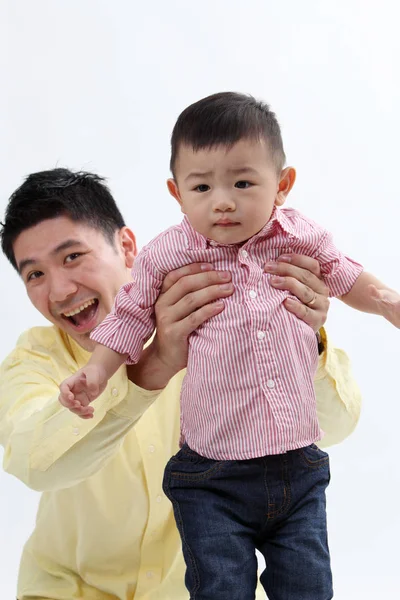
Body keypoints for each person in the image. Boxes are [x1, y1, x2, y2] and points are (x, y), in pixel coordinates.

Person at [56, 93, 399, 599]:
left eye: (243, 182)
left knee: (309, 586)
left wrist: (389, 303)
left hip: (298, 467)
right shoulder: (170, 253)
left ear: (281, 185)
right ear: (176, 193)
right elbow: (130, 315)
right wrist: (98, 372)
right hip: (212, 476)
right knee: (221, 588)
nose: (223, 200)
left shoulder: (299, 236)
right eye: (202, 186)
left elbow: (349, 278)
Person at [0, 167, 361, 600]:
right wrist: (151, 369)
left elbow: (337, 427)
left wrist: (305, 337)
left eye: (72, 256)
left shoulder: (223, 308)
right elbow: (35, 465)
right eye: (34, 274)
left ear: (127, 247)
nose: (59, 291)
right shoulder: (34, 358)